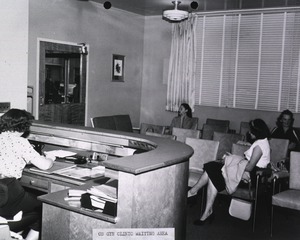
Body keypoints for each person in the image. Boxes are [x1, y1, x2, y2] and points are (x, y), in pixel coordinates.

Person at [188, 119, 270, 226]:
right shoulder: (261, 142)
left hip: (250, 177)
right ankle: (206, 210)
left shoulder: (260, 145)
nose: (249, 132)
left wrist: (232, 159)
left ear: (257, 132)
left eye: (251, 131)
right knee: (213, 171)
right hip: (244, 173)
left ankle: (194, 192)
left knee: (212, 167)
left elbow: (249, 167)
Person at [0, 109, 55, 240]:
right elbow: (45, 165)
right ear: (23, 128)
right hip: (9, 192)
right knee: (47, 209)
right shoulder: (20, 142)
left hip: (2, 193)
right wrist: (51, 158)